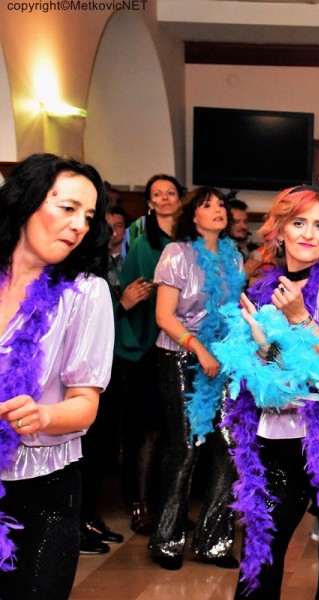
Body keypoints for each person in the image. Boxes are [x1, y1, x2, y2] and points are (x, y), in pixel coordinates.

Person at [211, 185, 319, 599]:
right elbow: (267, 370)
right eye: (299, 223)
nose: (308, 234)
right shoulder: (262, 290)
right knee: (261, 548)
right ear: (280, 230)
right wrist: (263, 349)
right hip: (278, 434)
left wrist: (300, 318)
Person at [0, 153, 114, 597]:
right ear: (26, 201)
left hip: (41, 493)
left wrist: (43, 416)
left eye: (88, 216)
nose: (79, 225)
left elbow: (86, 405)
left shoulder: (86, 293)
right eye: (68, 208)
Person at [149, 186, 243, 570]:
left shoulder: (234, 257)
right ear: (192, 214)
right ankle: (167, 541)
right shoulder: (177, 253)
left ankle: (213, 542)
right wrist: (199, 350)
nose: (218, 210)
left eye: (221, 204)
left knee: (229, 447)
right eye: (208, 205)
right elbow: (164, 316)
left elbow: (234, 314)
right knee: (186, 447)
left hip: (222, 362)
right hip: (180, 356)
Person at [117, 174, 184, 535]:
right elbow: (130, 293)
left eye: (170, 192)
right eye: (157, 194)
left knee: (177, 433)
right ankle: (140, 504)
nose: (165, 198)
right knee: (148, 430)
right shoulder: (143, 244)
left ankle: (169, 507)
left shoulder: (191, 243)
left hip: (184, 349)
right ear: (149, 203)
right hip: (149, 345)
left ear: (180, 199)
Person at [77, 204, 135, 554]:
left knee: (100, 449)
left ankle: (87, 516)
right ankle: (78, 524)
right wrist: (122, 304)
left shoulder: (97, 270)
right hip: (82, 374)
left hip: (107, 367)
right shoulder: (79, 271)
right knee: (84, 451)